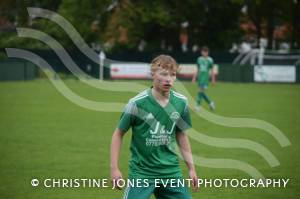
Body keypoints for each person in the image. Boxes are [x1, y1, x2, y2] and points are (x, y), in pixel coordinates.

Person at [110, 55, 198, 199]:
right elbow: (118, 133)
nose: (168, 79)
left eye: (173, 74)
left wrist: (192, 169)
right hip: (142, 173)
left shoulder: (181, 102)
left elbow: (181, 134)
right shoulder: (137, 103)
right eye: (163, 74)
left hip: (171, 172)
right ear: (153, 74)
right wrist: (114, 169)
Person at [192, 46, 215, 111]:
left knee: (200, 91)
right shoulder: (199, 59)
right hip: (200, 78)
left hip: (205, 78)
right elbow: (197, 69)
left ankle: (197, 106)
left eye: (206, 52)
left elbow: (212, 70)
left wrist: (213, 79)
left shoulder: (210, 60)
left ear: (208, 52)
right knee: (201, 92)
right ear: (201, 52)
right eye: (203, 52)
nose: (204, 53)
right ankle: (210, 103)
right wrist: (194, 78)